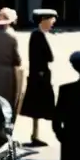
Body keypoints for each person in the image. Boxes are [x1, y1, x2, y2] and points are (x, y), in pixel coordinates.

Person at [20, 8, 57, 147]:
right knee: (39, 106)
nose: (52, 24)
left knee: (38, 107)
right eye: (50, 20)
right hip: (40, 76)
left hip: (39, 75)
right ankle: (35, 135)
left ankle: (35, 134)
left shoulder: (37, 34)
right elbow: (45, 56)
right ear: (43, 21)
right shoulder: (38, 36)